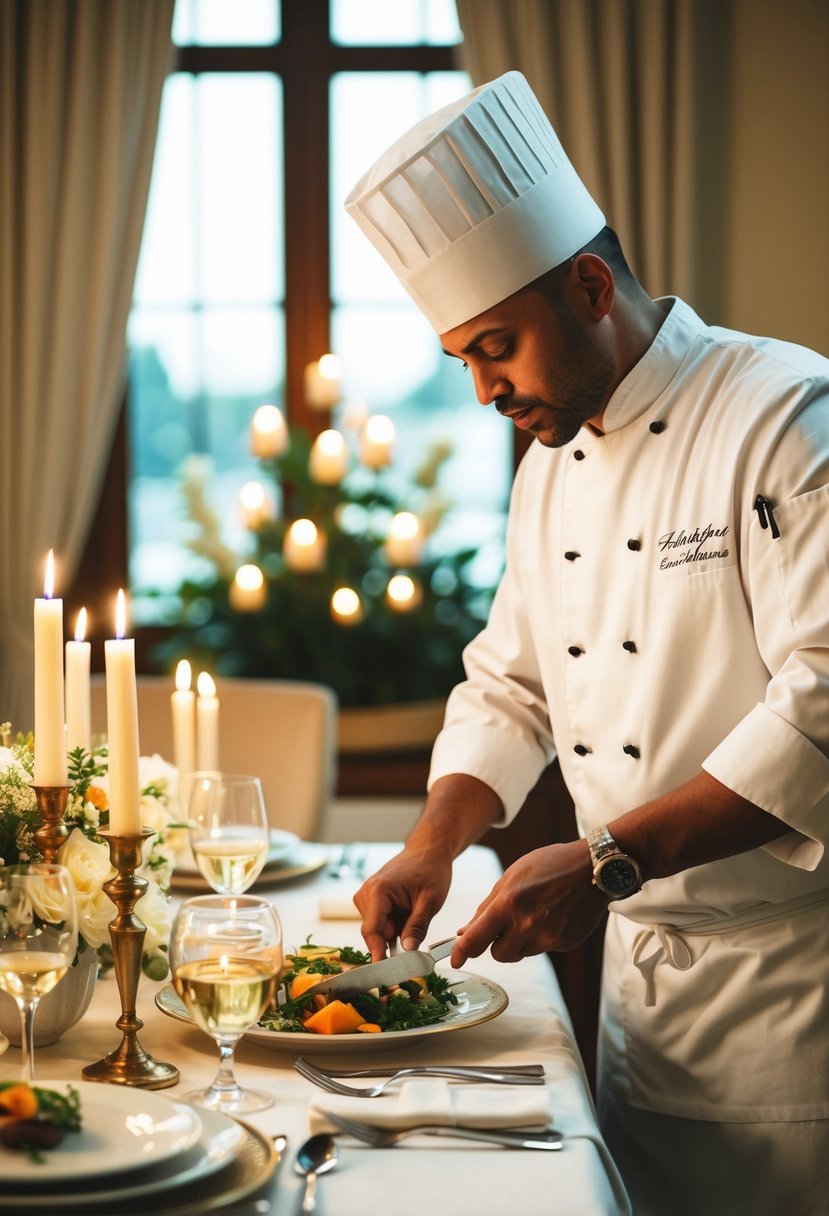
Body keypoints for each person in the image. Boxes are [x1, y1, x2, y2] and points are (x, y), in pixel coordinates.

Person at [344, 71, 829, 1214]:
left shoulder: (784, 413)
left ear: (590, 285)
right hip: (636, 1006)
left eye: (495, 347)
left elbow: (820, 702)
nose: (482, 389)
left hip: (792, 1001)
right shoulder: (546, 463)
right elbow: (507, 686)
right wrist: (434, 844)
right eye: (463, 358)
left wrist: (607, 857)